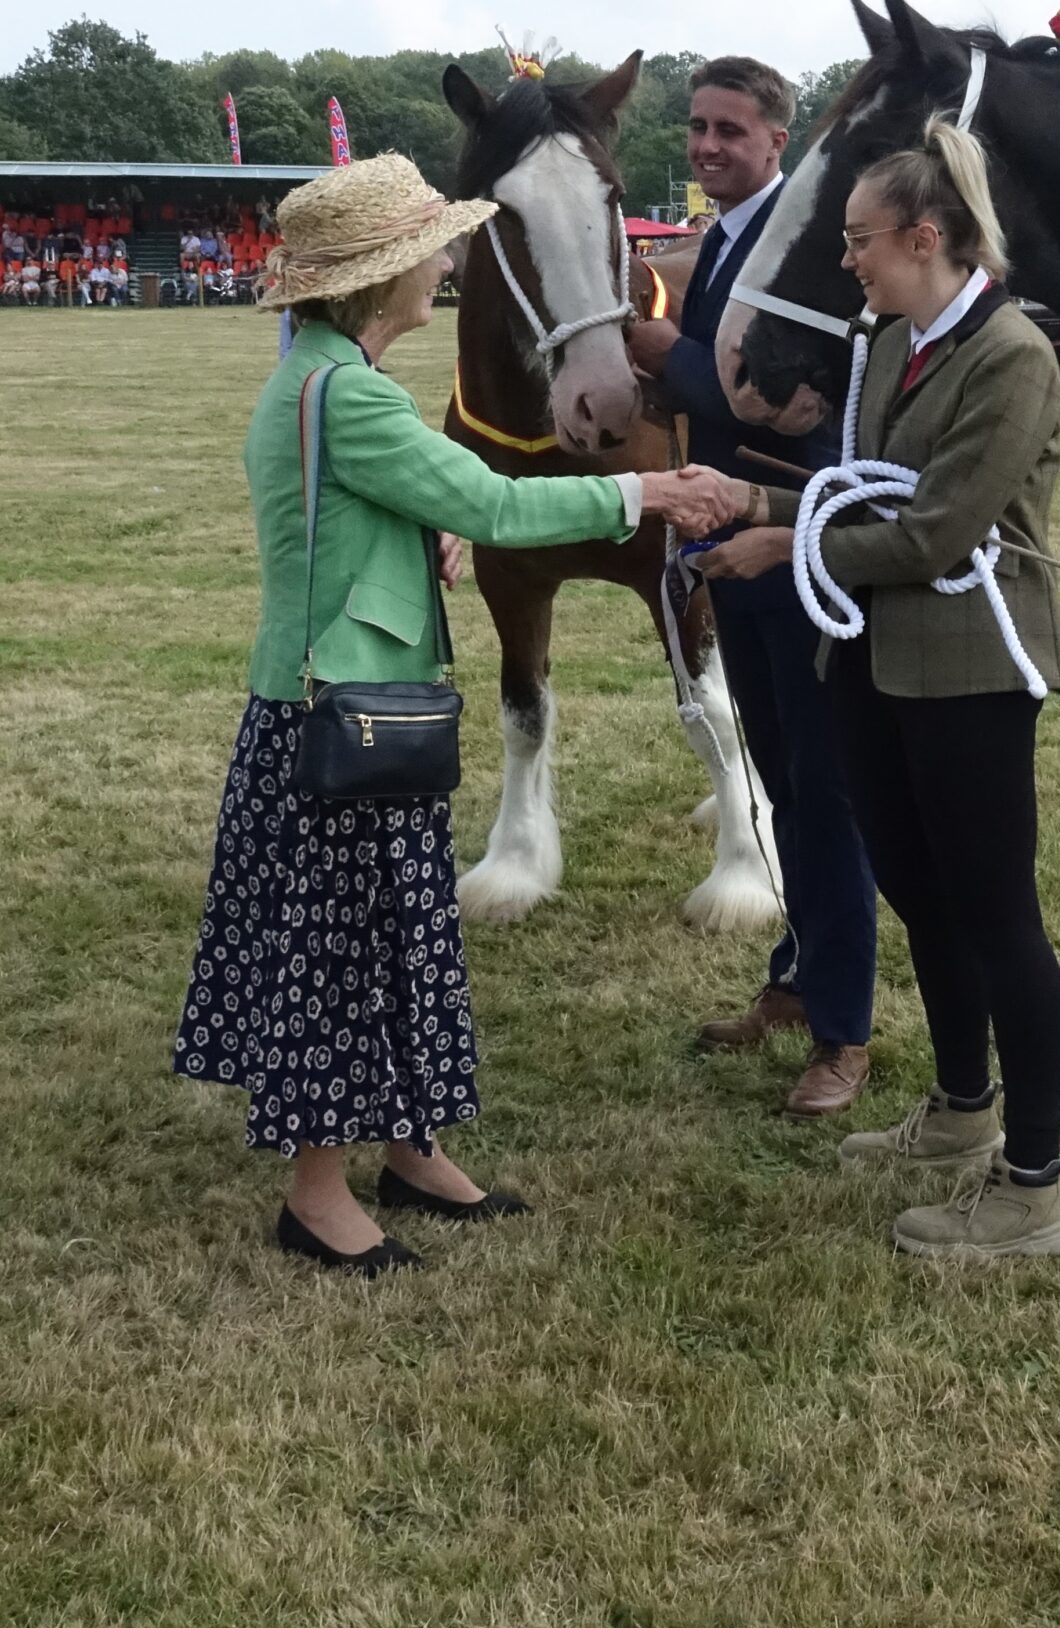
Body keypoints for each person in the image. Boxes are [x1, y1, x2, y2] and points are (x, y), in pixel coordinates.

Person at [172, 153, 745, 1274]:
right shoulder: (351, 395)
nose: (445, 263)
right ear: (376, 280)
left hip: (351, 706)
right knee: (341, 957)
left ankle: (408, 1146)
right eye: (427, 250)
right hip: (336, 716)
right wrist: (649, 490)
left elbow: (372, 511)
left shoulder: (325, 384)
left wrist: (410, 533)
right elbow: (489, 500)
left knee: (395, 938)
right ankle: (318, 1192)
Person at [712, 115, 1060, 1260]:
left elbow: (930, 534)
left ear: (926, 237)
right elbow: (858, 490)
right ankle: (962, 1114)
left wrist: (790, 550)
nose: (847, 258)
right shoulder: (890, 340)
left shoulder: (1012, 355)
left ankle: (1035, 1187)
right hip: (876, 662)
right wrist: (749, 503)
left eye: (860, 238)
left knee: (996, 917)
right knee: (923, 898)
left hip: (969, 669)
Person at [626, 57, 880, 1117]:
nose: (706, 146)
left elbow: (779, 401)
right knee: (779, 781)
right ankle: (796, 974)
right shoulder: (719, 241)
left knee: (823, 791)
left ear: (779, 141)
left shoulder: (807, 248)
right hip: (727, 545)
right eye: (696, 127)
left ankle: (845, 1031)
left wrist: (663, 352)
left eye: (731, 130)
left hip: (794, 540)